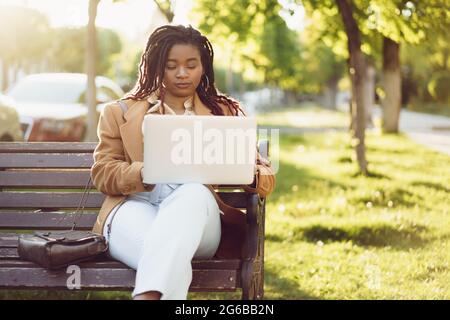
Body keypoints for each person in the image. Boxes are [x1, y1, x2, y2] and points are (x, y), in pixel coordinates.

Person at [90, 25, 276, 300]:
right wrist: (146, 170)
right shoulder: (119, 112)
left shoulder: (224, 113)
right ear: (156, 66)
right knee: (167, 256)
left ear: (203, 67)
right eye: (171, 65)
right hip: (134, 207)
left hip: (199, 217)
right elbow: (102, 172)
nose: (182, 73)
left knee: (192, 192)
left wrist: (250, 173)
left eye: (191, 65)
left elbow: (266, 176)